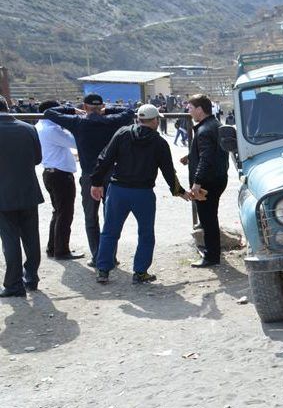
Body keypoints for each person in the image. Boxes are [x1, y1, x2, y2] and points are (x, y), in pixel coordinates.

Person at [88, 104, 190, 285]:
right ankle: (140, 272)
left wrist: (95, 182)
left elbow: (105, 158)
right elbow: (168, 171)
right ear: (155, 121)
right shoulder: (159, 143)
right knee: (145, 233)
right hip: (143, 193)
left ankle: (103, 270)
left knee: (110, 231)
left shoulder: (122, 134)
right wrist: (179, 191)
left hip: (118, 190)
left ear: (139, 119)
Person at [44, 93, 135, 267]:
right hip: (110, 173)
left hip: (89, 175)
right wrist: (107, 110)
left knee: (91, 217)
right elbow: (129, 112)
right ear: (101, 107)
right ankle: (110, 256)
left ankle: (97, 256)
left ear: (85, 107)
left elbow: (49, 112)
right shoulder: (112, 120)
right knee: (111, 217)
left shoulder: (78, 122)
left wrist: (73, 110)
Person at [0, 95, 43, 297]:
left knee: (10, 240)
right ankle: (32, 278)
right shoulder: (28, 128)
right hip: (28, 191)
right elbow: (37, 159)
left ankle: (14, 284)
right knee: (31, 237)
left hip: (3, 195)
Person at [182, 94, 229, 268]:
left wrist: (197, 182)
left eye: (191, 108)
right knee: (210, 218)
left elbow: (206, 158)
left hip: (208, 183)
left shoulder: (204, 130)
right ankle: (213, 252)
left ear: (200, 109)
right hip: (218, 178)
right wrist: (190, 157)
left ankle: (211, 257)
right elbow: (210, 152)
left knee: (208, 219)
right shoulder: (214, 125)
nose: (188, 111)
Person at [36, 100, 84, 261]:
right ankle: (61, 250)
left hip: (51, 173)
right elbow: (77, 142)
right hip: (60, 175)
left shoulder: (41, 126)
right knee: (65, 213)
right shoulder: (52, 129)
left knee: (58, 212)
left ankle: (53, 247)